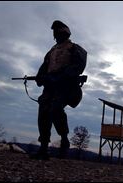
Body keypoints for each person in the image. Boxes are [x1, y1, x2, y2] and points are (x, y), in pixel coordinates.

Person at [33, 20, 87, 160]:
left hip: (65, 87)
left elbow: (78, 66)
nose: (57, 36)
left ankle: (64, 139)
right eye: (55, 34)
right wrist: (40, 77)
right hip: (50, 87)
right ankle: (44, 147)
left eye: (59, 33)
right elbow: (44, 67)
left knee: (55, 109)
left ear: (65, 34)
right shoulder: (51, 51)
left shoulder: (74, 48)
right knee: (44, 111)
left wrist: (62, 76)